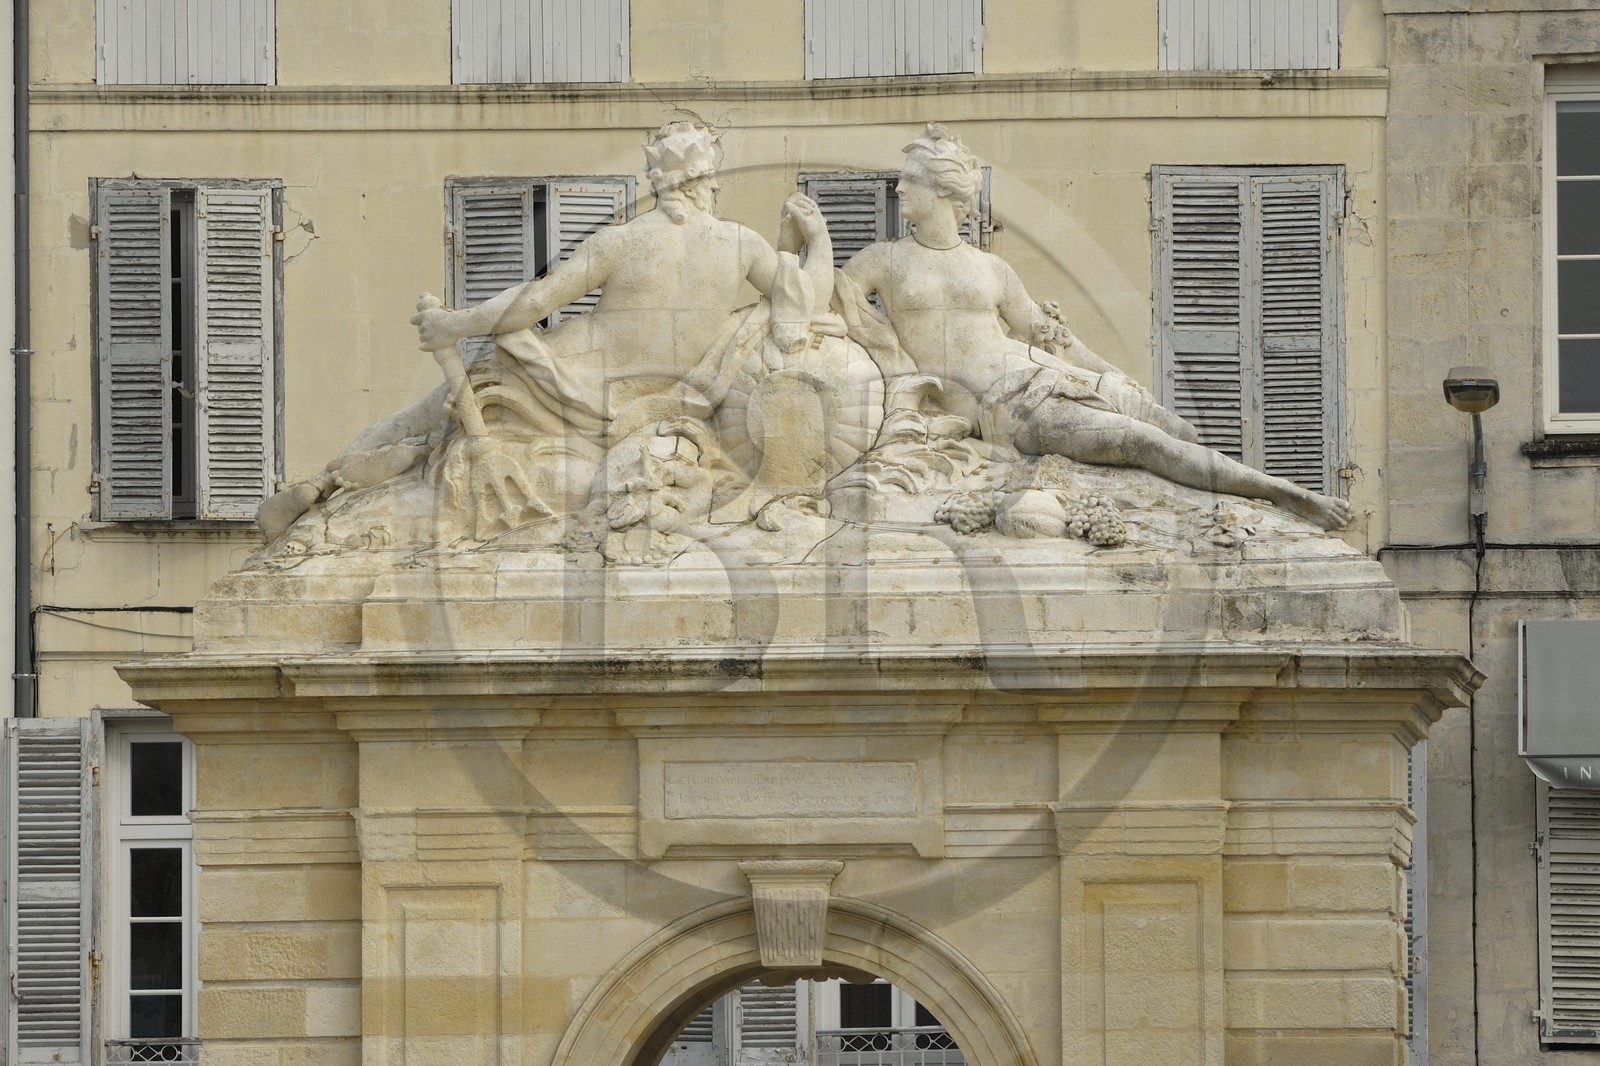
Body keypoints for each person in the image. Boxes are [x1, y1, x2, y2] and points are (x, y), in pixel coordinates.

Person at [258, 121, 833, 540]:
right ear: (707, 182)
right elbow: (806, 299)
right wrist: (820, 240)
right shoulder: (741, 244)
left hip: (568, 379)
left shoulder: (623, 241)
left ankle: (326, 482)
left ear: (659, 182)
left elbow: (532, 302)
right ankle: (330, 485)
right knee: (441, 423)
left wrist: (453, 325)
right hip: (655, 399)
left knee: (433, 411)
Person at [839, 124, 1353, 531]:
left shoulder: (991, 269)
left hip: (1042, 373)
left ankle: (1263, 499)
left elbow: (1053, 340)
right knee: (1147, 445)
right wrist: (807, 238)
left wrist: (1117, 380)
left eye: (911, 178)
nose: (899, 187)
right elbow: (814, 297)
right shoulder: (883, 261)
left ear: (943, 190)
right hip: (1005, 405)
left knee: (1176, 429)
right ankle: (1289, 495)